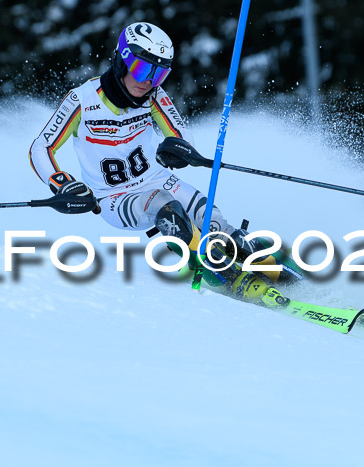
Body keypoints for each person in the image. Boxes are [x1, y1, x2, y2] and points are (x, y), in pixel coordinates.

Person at [29, 22, 292, 301]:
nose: (147, 82)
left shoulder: (153, 96)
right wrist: (62, 183)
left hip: (156, 179)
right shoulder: (82, 101)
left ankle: (280, 273)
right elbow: (41, 147)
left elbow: (180, 134)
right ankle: (226, 279)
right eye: (143, 69)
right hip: (114, 198)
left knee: (215, 225)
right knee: (168, 210)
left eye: (159, 74)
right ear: (122, 60)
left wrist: (179, 149)